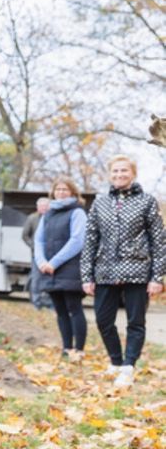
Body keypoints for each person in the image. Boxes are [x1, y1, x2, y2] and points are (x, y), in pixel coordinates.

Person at [81, 155, 166, 387]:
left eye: (124, 171)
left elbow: (159, 241)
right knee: (103, 320)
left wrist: (157, 277)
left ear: (133, 173)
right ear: (110, 174)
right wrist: (87, 276)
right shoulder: (100, 202)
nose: (119, 175)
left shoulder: (147, 201)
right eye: (115, 171)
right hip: (105, 271)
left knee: (135, 322)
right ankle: (116, 361)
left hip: (138, 271)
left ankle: (129, 366)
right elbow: (90, 240)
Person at [34, 180, 87, 361]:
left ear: (73, 192)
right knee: (60, 311)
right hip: (49, 270)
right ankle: (66, 348)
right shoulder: (47, 214)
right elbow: (38, 241)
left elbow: (77, 241)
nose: (61, 192)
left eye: (65, 189)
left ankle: (79, 350)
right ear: (53, 191)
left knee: (74, 308)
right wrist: (41, 262)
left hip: (70, 269)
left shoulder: (77, 212)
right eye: (58, 188)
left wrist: (54, 262)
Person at [22, 197, 53, 309]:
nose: (44, 208)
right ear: (38, 207)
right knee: (36, 278)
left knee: (50, 279)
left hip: (51, 255)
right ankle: (36, 303)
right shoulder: (32, 218)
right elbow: (25, 235)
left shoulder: (53, 218)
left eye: (46, 206)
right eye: (42, 206)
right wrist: (34, 246)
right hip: (36, 255)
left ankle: (50, 303)